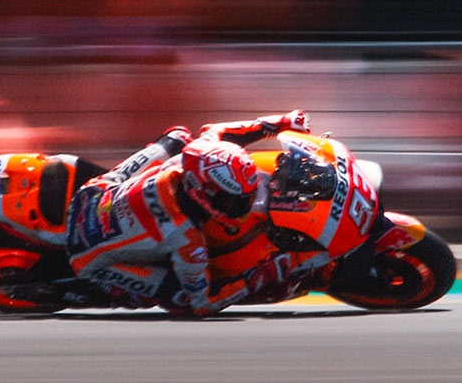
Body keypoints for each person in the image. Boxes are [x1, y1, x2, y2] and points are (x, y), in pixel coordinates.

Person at [64, 110, 309, 315]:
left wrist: (282, 123)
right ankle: (103, 287)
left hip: (92, 194)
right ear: (204, 192)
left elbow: (222, 132)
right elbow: (203, 303)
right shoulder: (188, 240)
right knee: (182, 298)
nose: (241, 207)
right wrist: (260, 276)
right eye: (231, 200)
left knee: (178, 137)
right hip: (87, 257)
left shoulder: (193, 159)